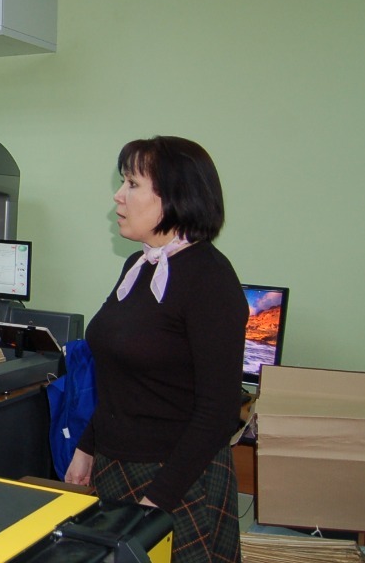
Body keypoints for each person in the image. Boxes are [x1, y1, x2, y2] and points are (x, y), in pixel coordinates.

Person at [64, 136, 245, 563]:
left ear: (176, 196)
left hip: (179, 480)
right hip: (116, 467)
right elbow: (118, 378)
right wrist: (87, 448)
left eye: (132, 184)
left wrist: (157, 502)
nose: (118, 195)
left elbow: (219, 413)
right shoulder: (138, 266)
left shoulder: (209, 278)